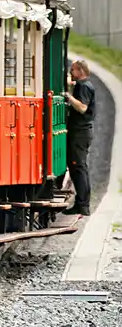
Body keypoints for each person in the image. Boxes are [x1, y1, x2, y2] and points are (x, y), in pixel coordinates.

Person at [63, 59, 96, 216]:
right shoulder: (84, 85)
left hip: (80, 132)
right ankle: (82, 203)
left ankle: (83, 204)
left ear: (81, 70)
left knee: (78, 167)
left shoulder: (83, 86)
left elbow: (82, 107)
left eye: (73, 69)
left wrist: (68, 97)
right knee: (79, 167)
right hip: (82, 132)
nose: (71, 72)